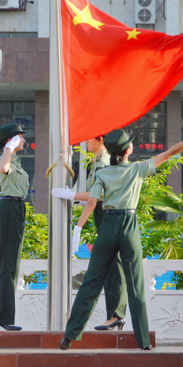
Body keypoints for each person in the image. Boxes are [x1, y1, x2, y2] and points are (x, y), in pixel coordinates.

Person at [60, 124, 183, 350]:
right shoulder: (137, 169)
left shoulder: (102, 173)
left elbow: (92, 202)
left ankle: (69, 336)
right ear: (127, 150)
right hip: (129, 224)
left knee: (92, 282)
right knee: (135, 284)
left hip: (108, 226)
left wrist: (78, 228)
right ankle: (143, 342)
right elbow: (170, 152)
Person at [52, 135, 128, 331]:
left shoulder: (103, 162)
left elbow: (98, 195)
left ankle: (116, 315)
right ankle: (114, 315)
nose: (86, 143)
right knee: (110, 265)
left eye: (89, 139)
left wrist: (73, 197)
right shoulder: (96, 161)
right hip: (102, 214)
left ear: (100, 139)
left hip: (107, 214)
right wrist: (77, 197)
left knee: (113, 265)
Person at [0, 122, 28, 331]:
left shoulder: (16, 161)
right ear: (10, 140)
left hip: (16, 208)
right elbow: (3, 169)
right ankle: (3, 317)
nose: (23, 140)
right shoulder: (5, 159)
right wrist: (9, 147)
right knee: (7, 264)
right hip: (8, 208)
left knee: (12, 264)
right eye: (19, 137)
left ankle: (3, 316)